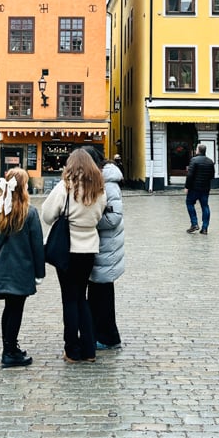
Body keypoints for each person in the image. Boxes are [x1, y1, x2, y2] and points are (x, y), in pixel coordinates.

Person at [42, 147, 106, 363]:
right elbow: (99, 215)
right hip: (89, 248)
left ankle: (72, 349)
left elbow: (48, 215)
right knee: (82, 298)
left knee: (69, 299)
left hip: (68, 248)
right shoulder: (99, 189)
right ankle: (89, 350)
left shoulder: (65, 187)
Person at [0, 168, 45, 368]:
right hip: (22, 269)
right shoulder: (29, 212)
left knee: (8, 309)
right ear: (23, 187)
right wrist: (40, 273)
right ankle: (10, 352)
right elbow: (37, 245)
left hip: (3, 268)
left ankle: (9, 347)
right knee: (16, 310)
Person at [84, 148, 125, 350]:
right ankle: (100, 333)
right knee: (97, 292)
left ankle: (108, 337)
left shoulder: (109, 184)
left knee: (103, 294)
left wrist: (90, 221)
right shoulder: (100, 181)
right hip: (99, 246)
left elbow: (114, 217)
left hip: (106, 246)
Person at [185, 143, 215, 234]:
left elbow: (190, 175)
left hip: (194, 188)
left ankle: (194, 223)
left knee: (189, 203)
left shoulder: (194, 160)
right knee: (205, 206)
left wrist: (187, 187)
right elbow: (212, 175)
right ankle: (205, 228)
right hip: (205, 188)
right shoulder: (210, 161)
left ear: (198, 150)